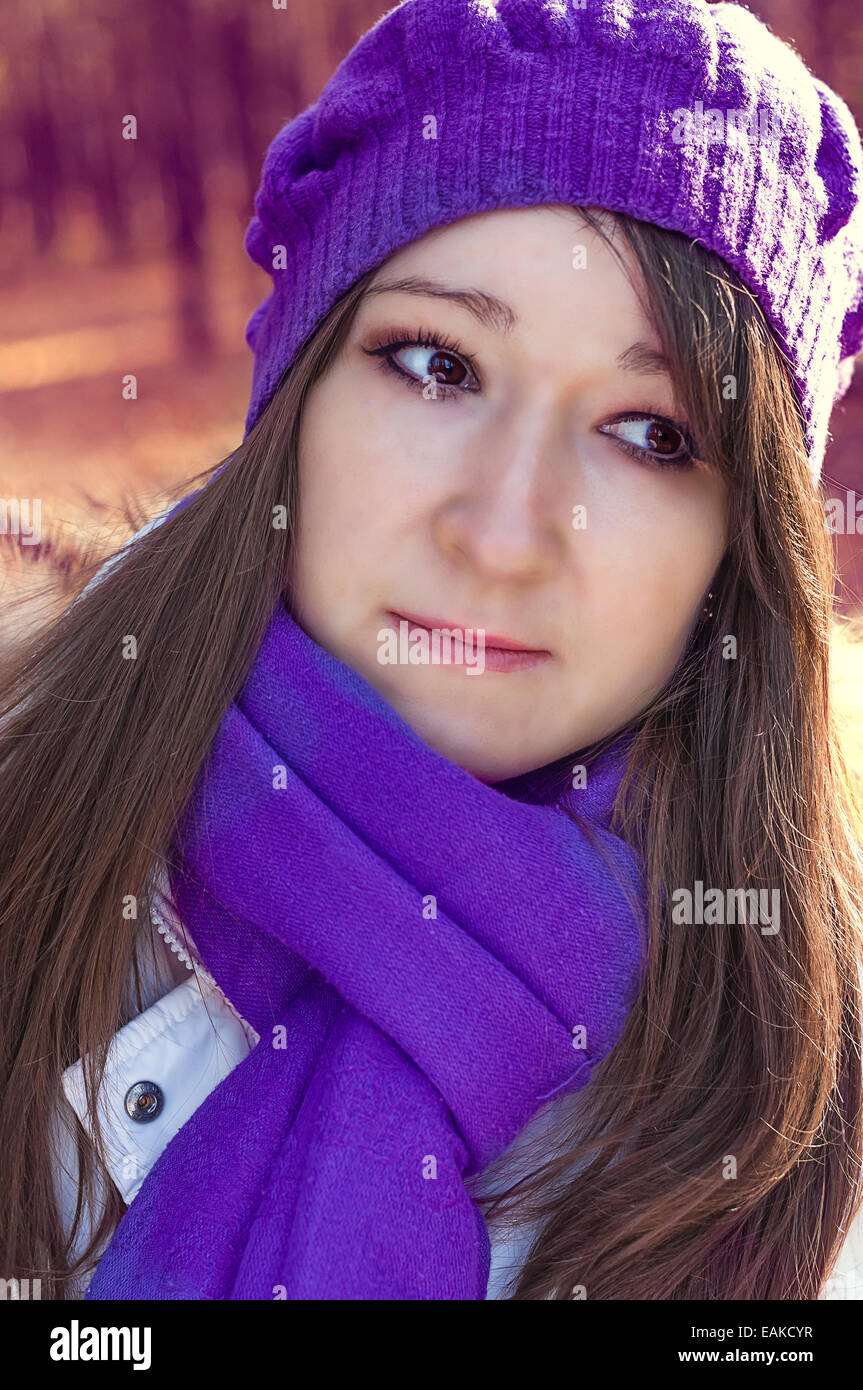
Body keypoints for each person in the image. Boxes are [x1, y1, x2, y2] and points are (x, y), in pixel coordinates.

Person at [3, 0, 863, 1301]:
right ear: (298, 399)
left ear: (742, 547)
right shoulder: (35, 821)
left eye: (651, 433)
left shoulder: (805, 1079)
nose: (505, 532)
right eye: (435, 362)